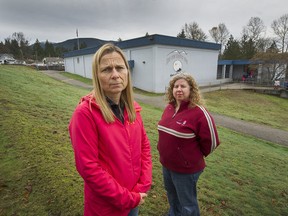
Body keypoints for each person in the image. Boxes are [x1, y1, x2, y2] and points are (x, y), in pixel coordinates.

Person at [69, 43, 152, 216]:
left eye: (120, 68)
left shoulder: (133, 109)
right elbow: (89, 168)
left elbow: (144, 148)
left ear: (127, 73)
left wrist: (141, 187)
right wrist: (126, 198)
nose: (115, 75)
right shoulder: (85, 114)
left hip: (134, 198)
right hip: (106, 207)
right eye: (107, 69)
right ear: (97, 75)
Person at [157, 72, 220, 216]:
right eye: (176, 86)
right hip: (167, 165)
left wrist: (188, 157)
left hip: (186, 170)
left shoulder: (199, 113)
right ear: (171, 90)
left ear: (191, 90)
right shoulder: (169, 108)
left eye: (183, 86)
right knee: (173, 198)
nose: (179, 89)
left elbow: (212, 142)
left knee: (188, 204)